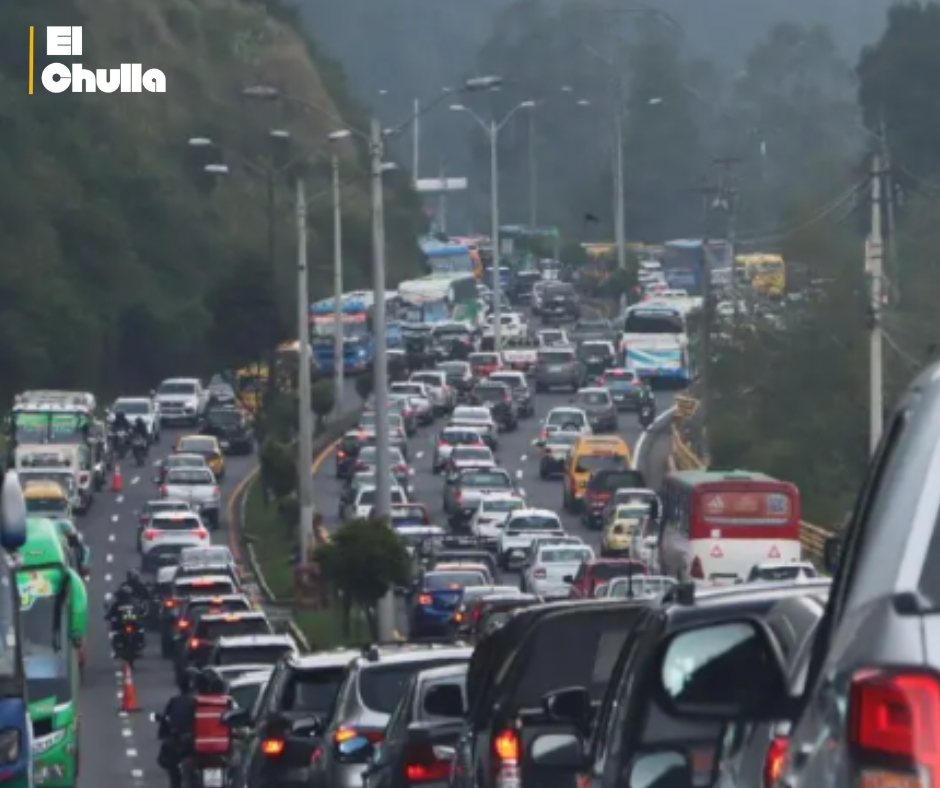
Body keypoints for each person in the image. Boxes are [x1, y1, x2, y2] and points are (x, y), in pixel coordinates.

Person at [158, 667, 200, 788]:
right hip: (191, 746)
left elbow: (165, 727)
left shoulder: (175, 701)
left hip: (188, 746)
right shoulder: (203, 702)